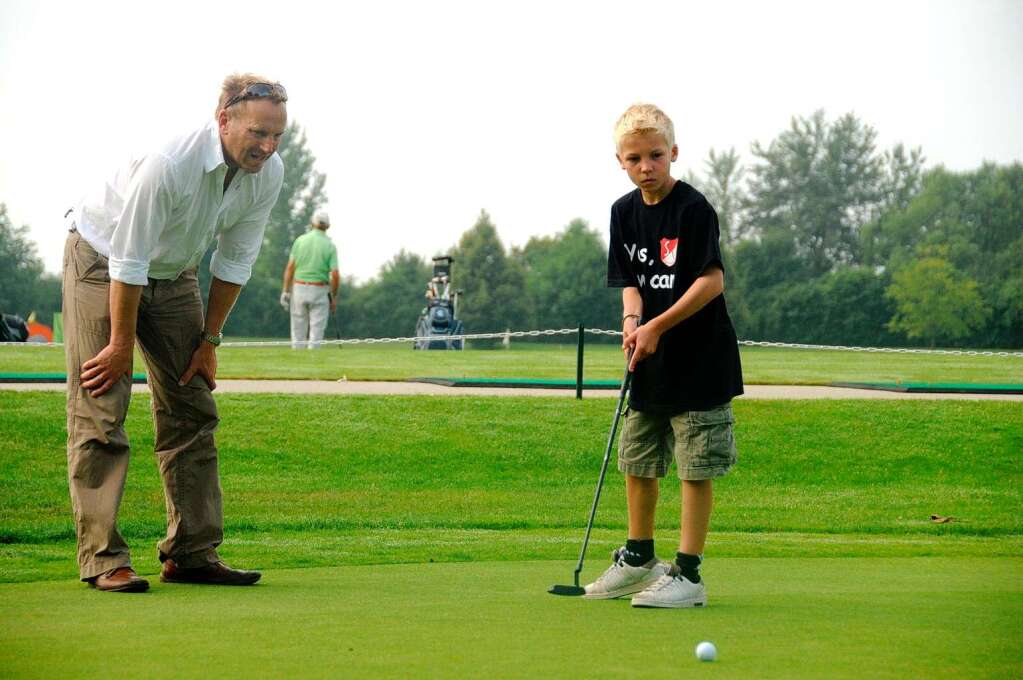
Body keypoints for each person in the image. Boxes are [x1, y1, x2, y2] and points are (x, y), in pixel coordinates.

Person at [61, 73, 288, 593]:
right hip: (102, 260)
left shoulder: (268, 172)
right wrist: (120, 345)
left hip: (173, 270)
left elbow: (235, 259)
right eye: (258, 133)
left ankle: (191, 552)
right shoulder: (171, 162)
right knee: (102, 402)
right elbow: (130, 257)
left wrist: (209, 341)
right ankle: (102, 558)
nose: (268, 146)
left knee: (191, 401)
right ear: (224, 119)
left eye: (277, 135)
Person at [584, 103, 744, 608]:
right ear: (620, 161)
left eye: (656, 155)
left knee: (695, 468)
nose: (646, 166)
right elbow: (630, 281)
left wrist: (656, 324)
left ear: (673, 153)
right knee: (637, 459)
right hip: (649, 363)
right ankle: (638, 559)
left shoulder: (694, 209)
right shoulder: (622, 213)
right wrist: (633, 322)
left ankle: (688, 575)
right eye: (635, 158)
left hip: (700, 361)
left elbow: (712, 281)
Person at [279, 211, 340, 349]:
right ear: (328, 226)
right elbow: (335, 274)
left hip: (299, 288)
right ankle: (312, 362)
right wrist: (334, 296)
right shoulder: (330, 245)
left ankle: (297, 360)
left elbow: (290, 268)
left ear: (312, 223)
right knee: (316, 331)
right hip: (320, 290)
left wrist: (285, 291)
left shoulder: (300, 240)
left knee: (298, 330)